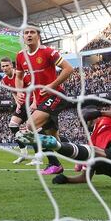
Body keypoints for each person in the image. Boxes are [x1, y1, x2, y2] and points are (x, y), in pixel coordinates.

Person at [15, 24, 73, 175]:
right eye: (26, 33)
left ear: (38, 35)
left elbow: (69, 68)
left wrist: (51, 86)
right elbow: (19, 77)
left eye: (32, 32)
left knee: (30, 125)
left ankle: (54, 164)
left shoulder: (48, 52)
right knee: (55, 140)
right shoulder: (20, 56)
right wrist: (20, 91)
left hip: (56, 95)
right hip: (41, 101)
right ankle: (83, 157)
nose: (28, 35)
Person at [1, 56, 32, 164]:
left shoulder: (20, 75)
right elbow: (14, 92)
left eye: (7, 65)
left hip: (33, 103)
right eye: (3, 66)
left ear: (12, 66)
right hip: (23, 105)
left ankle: (39, 158)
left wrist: (34, 103)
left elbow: (33, 88)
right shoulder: (4, 80)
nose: (5, 68)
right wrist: (18, 103)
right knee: (13, 125)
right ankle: (23, 153)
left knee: (36, 129)